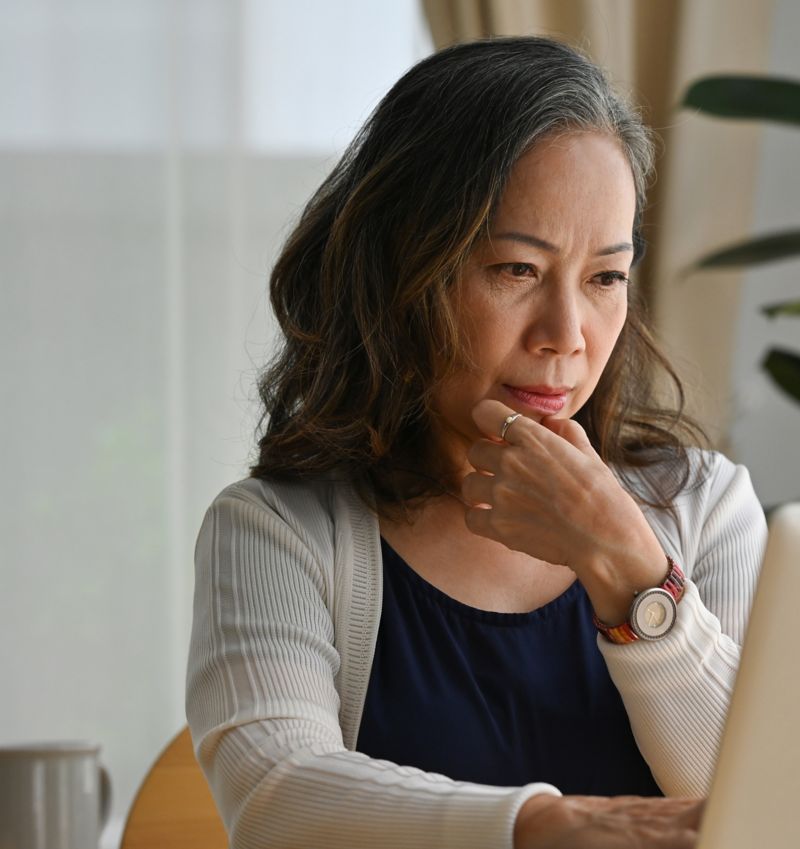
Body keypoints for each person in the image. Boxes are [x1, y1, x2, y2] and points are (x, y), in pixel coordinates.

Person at [185, 36, 766, 849]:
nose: (567, 335)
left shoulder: (705, 507)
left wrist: (630, 570)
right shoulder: (279, 529)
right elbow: (276, 793)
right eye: (515, 270)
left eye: (605, 278)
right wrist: (546, 825)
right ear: (404, 272)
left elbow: (761, 799)